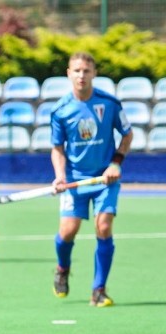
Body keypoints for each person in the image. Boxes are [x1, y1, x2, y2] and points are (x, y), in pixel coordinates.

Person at [50, 52, 133, 307]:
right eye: (76, 70)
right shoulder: (60, 110)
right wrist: (60, 176)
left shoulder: (110, 103)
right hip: (75, 179)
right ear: (68, 73)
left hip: (104, 180)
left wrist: (115, 164)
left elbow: (127, 135)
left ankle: (99, 290)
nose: (81, 75)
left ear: (94, 73)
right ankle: (62, 268)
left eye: (86, 70)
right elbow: (57, 148)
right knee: (67, 232)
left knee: (104, 227)